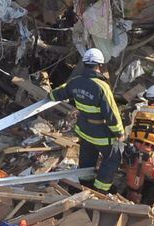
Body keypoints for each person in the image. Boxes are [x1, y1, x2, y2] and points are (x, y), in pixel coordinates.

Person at [50, 48, 124, 193]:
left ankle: (84, 185)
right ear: (100, 66)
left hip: (84, 130)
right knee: (112, 158)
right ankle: (99, 190)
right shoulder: (102, 87)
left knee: (87, 159)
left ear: (84, 64)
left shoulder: (75, 82)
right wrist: (119, 132)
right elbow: (111, 114)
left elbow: (54, 95)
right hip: (101, 133)